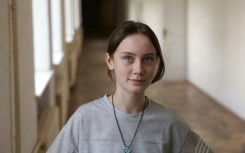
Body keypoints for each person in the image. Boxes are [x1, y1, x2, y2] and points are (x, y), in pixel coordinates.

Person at [47, 21, 213, 153]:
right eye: (128, 58)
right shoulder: (84, 119)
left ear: (156, 63)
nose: (138, 69)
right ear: (110, 61)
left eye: (148, 59)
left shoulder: (169, 122)